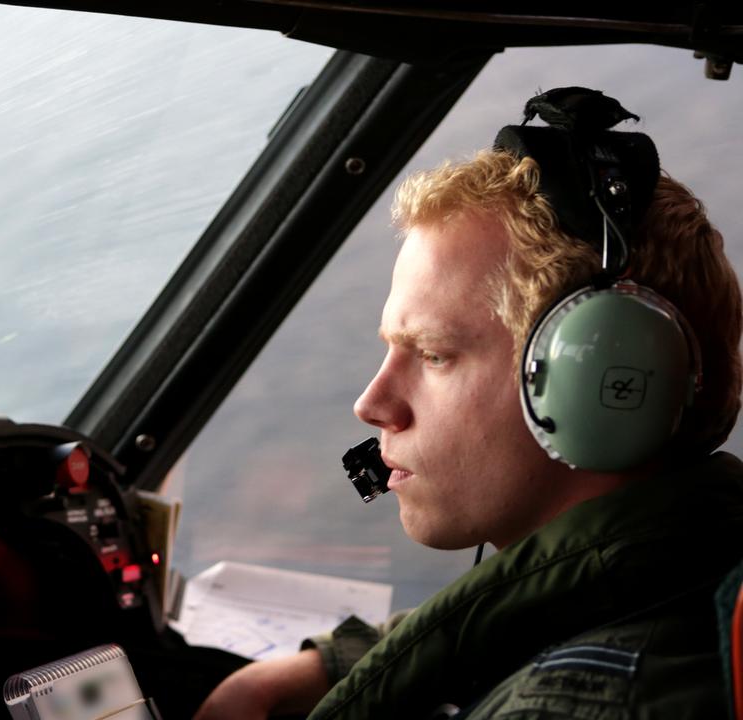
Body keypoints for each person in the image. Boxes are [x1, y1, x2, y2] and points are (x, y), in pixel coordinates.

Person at [193, 89, 743, 719]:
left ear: (595, 380)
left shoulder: (581, 707)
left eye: (432, 355)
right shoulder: (685, 567)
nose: (372, 405)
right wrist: (326, 665)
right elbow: (523, 617)